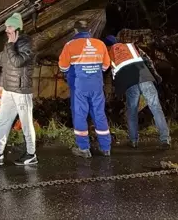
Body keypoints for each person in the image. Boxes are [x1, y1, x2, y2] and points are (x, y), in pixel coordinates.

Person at [0, 13, 38, 166]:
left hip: (21, 90)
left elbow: (18, 62)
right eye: (6, 27)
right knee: (3, 121)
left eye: (9, 27)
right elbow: (7, 67)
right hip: (8, 90)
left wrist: (11, 45)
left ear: (18, 28)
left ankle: (31, 154)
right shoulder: (9, 43)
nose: (6, 30)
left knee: (26, 123)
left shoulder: (26, 42)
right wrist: (1, 84)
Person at [105, 35, 170, 150]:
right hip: (145, 77)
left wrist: (114, 94)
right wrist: (155, 76)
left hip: (130, 83)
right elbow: (147, 60)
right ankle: (165, 139)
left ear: (107, 46)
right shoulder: (131, 47)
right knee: (156, 108)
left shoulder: (109, 54)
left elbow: (111, 76)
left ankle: (133, 140)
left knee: (132, 111)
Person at [59, 20, 112, 158]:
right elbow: (106, 66)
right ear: (89, 31)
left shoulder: (70, 45)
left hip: (79, 86)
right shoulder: (100, 44)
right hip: (96, 86)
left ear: (75, 31)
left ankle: (84, 148)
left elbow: (63, 67)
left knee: (80, 114)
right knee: (99, 114)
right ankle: (106, 148)